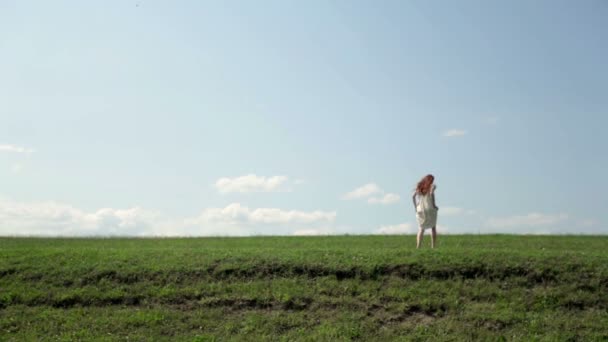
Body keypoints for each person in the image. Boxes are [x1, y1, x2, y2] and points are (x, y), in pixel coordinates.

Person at [412, 174, 438, 248]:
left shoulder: (420, 187)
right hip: (430, 208)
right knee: (433, 227)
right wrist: (434, 205)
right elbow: (432, 194)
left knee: (421, 228)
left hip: (420, 209)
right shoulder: (432, 186)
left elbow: (413, 196)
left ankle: (418, 246)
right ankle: (433, 247)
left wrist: (415, 207)